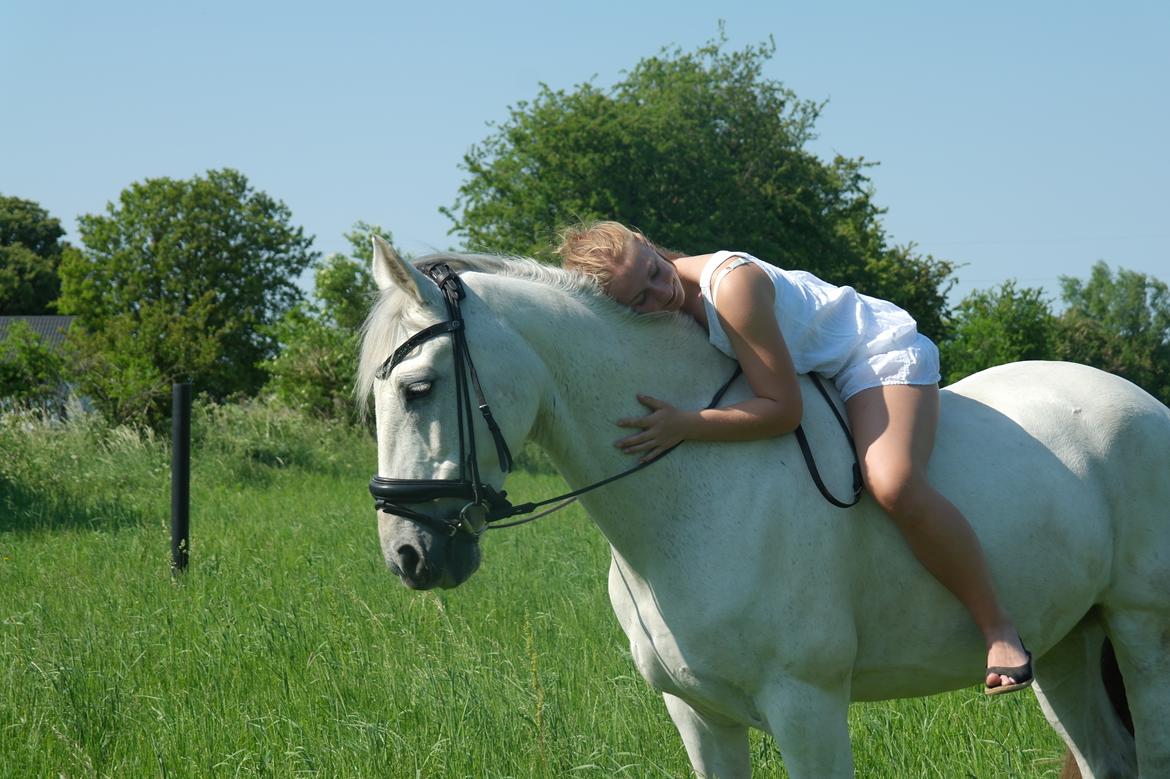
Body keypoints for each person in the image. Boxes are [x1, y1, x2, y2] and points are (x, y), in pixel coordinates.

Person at [556, 220, 1032, 695]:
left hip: (871, 353)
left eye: (654, 272)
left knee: (893, 482)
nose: (659, 294)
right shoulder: (670, 308)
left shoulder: (731, 286)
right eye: (638, 299)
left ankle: (998, 628)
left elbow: (783, 411)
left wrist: (687, 423)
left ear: (645, 242)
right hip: (816, 369)